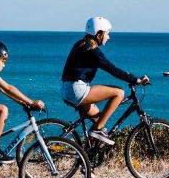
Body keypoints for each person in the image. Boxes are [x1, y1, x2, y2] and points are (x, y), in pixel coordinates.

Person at [60, 17, 148, 145]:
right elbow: (112, 69)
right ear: (99, 34)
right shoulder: (93, 51)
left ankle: (86, 155)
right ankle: (97, 131)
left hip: (66, 89)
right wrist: (135, 80)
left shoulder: (81, 44)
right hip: (77, 89)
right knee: (119, 92)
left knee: (98, 118)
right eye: (107, 34)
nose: (109, 37)